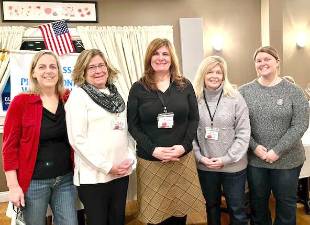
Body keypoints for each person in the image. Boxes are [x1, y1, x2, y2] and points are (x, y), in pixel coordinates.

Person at [127, 38, 205, 225]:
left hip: (181, 159)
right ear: (149, 58)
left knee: (180, 214)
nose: (160, 57)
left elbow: (194, 119)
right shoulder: (138, 88)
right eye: (156, 53)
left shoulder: (184, 85)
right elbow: (133, 124)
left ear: (172, 58)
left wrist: (184, 146)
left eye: (165, 53)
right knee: (154, 217)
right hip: (151, 161)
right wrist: (153, 149)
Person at [2, 50, 78, 225]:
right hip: (34, 183)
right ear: (34, 73)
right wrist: (13, 187)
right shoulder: (21, 102)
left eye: (53, 66)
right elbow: (9, 148)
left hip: (65, 179)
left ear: (59, 72)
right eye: (42, 67)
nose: (48, 71)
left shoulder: (68, 98)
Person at [239, 46, 309, 225]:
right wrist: (255, 148)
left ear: (277, 62)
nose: (263, 63)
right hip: (256, 161)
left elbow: (300, 124)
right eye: (258, 60)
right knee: (258, 205)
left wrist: (277, 150)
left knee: (286, 206)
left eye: (267, 59)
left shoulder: (294, 91)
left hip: (288, 160)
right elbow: (240, 126)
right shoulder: (244, 92)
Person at [65, 49, 136, 225]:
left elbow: (125, 131)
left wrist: (130, 158)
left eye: (101, 65)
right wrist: (107, 166)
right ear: (83, 71)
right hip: (94, 178)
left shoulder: (115, 94)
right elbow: (78, 140)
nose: (98, 71)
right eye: (91, 67)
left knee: (117, 220)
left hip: (120, 174)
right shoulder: (78, 96)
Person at [193, 56, 250, 225]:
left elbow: (244, 133)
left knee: (236, 209)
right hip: (205, 165)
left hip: (233, 166)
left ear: (224, 76)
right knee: (211, 206)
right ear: (203, 74)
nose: (214, 75)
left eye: (219, 72)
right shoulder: (194, 98)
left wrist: (226, 159)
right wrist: (200, 158)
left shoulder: (235, 98)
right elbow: (189, 134)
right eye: (210, 71)